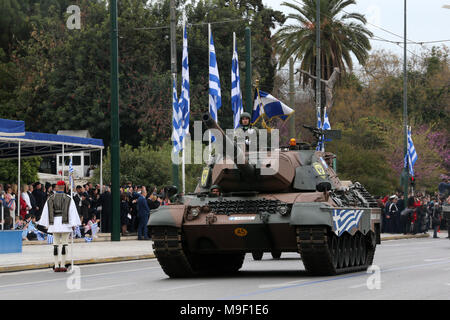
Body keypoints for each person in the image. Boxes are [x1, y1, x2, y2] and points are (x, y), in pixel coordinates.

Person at [37, 180, 81, 272]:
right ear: (64, 187)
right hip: (65, 224)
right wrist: (73, 224)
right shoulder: (68, 198)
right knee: (65, 243)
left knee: (56, 244)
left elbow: (46, 212)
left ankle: (56, 265)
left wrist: (47, 224)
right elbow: (72, 212)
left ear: (56, 187)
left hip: (54, 224)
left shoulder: (50, 198)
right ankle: (63, 264)